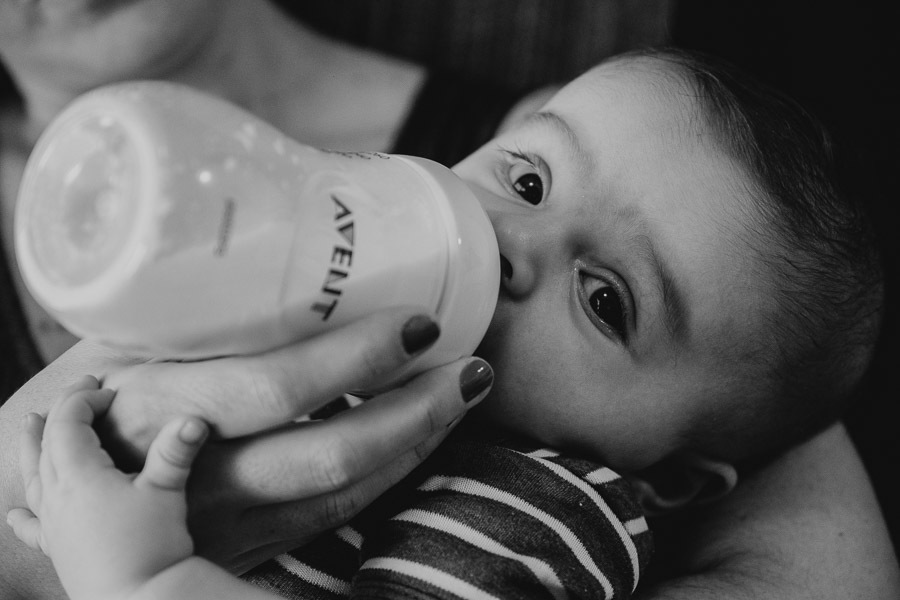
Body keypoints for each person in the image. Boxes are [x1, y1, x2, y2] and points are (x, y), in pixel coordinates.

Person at [0, 1, 898, 599]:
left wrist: (141, 573)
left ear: (669, 479)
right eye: (529, 182)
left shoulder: (539, 512)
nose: (513, 240)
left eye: (607, 302)